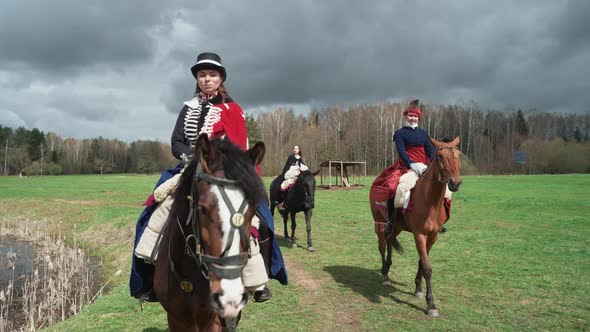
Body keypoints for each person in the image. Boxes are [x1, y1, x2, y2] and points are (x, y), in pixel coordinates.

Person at [130, 52, 288, 303]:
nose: (207, 79)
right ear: (197, 78)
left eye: (212, 75)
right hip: (188, 166)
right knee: (155, 209)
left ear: (220, 78)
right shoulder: (187, 108)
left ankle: (257, 281)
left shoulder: (232, 109)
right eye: (202, 75)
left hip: (223, 169)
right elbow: (177, 141)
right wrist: (190, 158)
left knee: (257, 218)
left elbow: (239, 144)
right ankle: (149, 275)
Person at [370, 99, 440, 234]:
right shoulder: (400, 133)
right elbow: (402, 152)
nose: (413, 118)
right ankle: (391, 221)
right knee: (395, 188)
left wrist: (431, 164)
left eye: (415, 116)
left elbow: (430, 150)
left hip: (425, 167)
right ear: (406, 116)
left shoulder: (424, 134)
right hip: (406, 166)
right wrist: (412, 165)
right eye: (410, 116)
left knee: (444, 190)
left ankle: (439, 221)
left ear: (418, 118)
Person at [277, 145, 307, 210]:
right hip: (290, 175)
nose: (295, 150)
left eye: (296, 149)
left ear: (299, 150)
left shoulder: (301, 158)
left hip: (298, 176)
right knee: (284, 185)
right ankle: (283, 202)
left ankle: (305, 201)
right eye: (294, 148)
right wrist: (284, 175)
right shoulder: (290, 157)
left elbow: (304, 167)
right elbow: (286, 167)